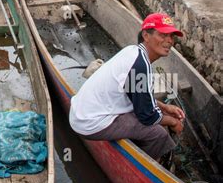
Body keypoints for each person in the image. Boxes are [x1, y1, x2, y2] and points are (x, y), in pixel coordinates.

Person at [69, 13, 185, 163]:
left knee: (155, 117)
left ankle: (138, 147)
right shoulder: (140, 65)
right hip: (91, 122)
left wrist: (165, 108)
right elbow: (148, 116)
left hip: (82, 113)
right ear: (146, 35)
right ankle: (143, 166)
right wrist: (174, 123)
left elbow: (140, 97)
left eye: (171, 36)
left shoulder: (133, 52)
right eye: (163, 35)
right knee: (159, 134)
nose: (169, 41)